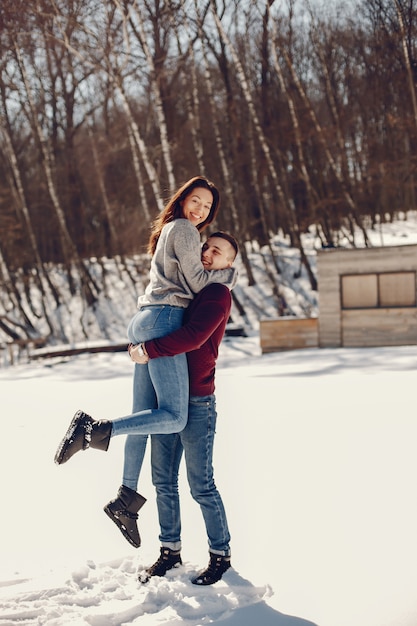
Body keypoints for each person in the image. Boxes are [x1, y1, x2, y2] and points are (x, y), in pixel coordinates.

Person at [54, 177, 238, 550]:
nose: (200, 210)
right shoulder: (185, 230)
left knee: (143, 416)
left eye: (207, 207)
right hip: (163, 320)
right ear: (183, 198)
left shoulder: (172, 231)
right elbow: (201, 281)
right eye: (196, 201)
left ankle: (126, 500)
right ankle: (93, 429)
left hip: (147, 319)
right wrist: (229, 273)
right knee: (174, 416)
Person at [129, 231, 238, 585]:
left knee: (201, 484)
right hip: (168, 398)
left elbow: (193, 335)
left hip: (198, 401)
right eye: (206, 247)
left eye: (217, 251)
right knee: (163, 481)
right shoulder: (191, 290)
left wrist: (150, 350)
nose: (207, 254)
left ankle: (220, 555)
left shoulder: (217, 294)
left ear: (229, 263)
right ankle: (170, 551)